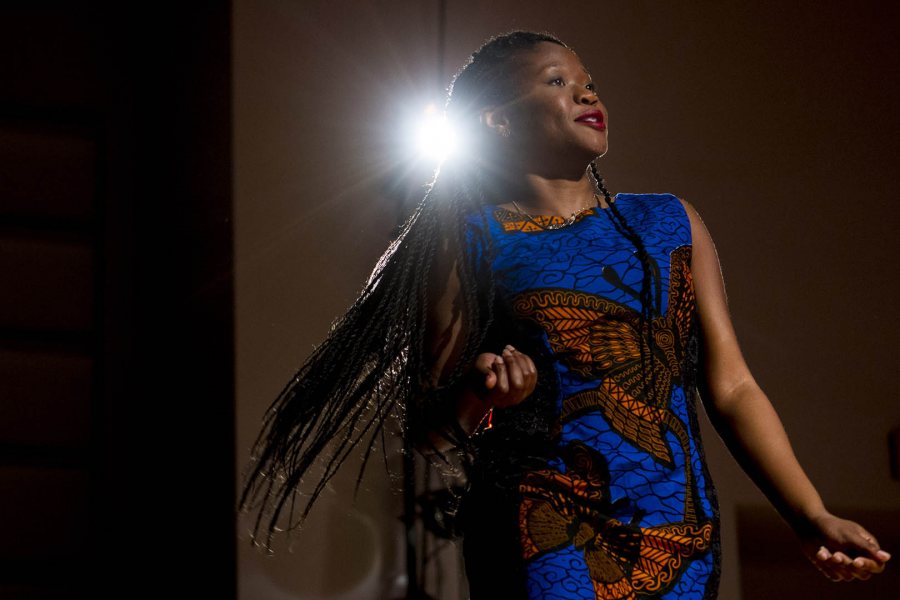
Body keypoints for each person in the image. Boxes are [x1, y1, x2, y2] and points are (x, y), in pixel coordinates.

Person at [239, 31, 890, 598]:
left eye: (590, 83)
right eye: (558, 81)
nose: (586, 94)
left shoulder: (669, 223)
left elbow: (733, 386)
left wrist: (809, 514)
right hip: (542, 525)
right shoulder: (470, 238)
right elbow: (429, 431)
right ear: (499, 121)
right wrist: (479, 391)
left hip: (677, 528)